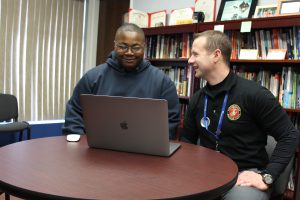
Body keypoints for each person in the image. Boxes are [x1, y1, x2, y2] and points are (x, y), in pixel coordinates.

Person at [180, 30, 299, 200]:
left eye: (195, 54)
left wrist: (268, 176)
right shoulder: (197, 99)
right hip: (205, 174)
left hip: (243, 176)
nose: (190, 60)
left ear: (216, 55)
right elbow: (187, 142)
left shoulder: (254, 94)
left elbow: (289, 135)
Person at [62, 23, 180, 139]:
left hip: (144, 153)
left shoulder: (162, 82)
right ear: (115, 45)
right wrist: (82, 143)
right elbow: (74, 113)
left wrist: (153, 145)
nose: (129, 52)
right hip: (98, 151)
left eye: (136, 47)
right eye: (123, 46)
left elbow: (171, 122)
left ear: (144, 47)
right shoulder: (93, 78)